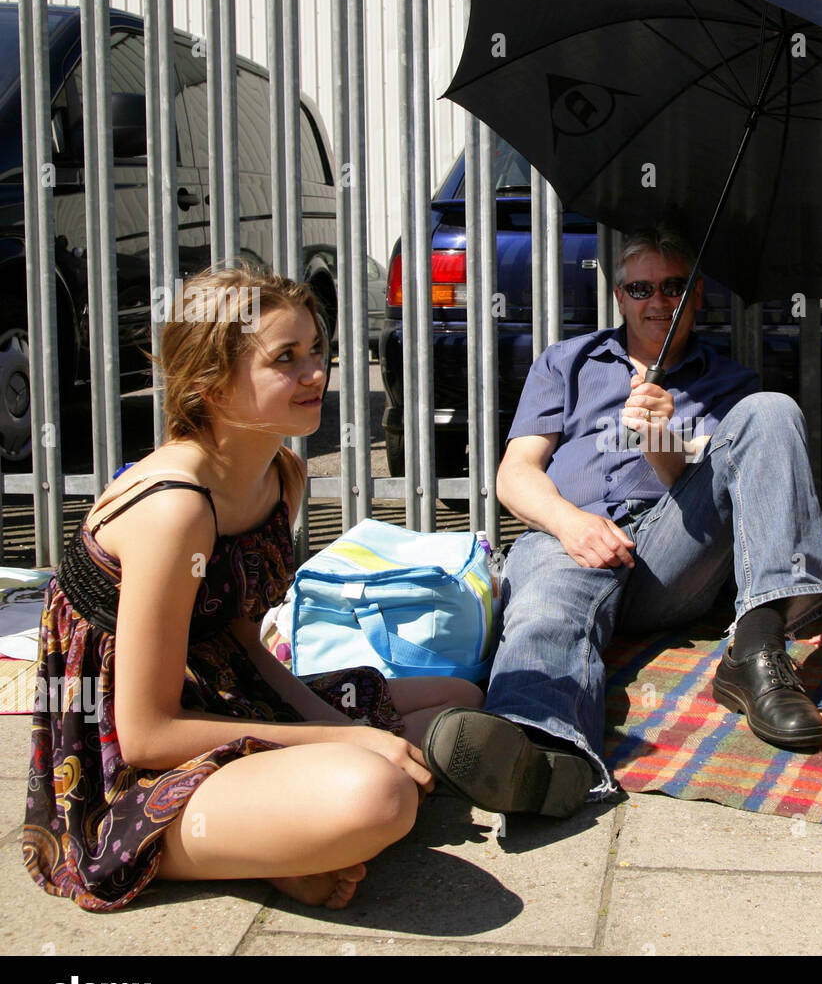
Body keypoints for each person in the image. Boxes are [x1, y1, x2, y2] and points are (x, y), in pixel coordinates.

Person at [23, 265, 482, 913]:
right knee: (381, 793)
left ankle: (284, 833)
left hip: (220, 688)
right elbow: (147, 733)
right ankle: (214, 845)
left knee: (457, 698)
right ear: (211, 385)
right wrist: (347, 739)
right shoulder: (174, 510)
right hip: (123, 754)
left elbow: (241, 637)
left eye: (317, 351)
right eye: (286, 359)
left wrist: (331, 722)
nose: (316, 373)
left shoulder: (279, 474)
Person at [422, 224, 822, 818]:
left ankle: (757, 647)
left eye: (675, 287)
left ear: (696, 297)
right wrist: (570, 524)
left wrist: (661, 439)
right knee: (545, 610)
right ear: (619, 296)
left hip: (671, 557)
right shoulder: (567, 362)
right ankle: (539, 754)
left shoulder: (727, 382)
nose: (658, 301)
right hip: (570, 536)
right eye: (641, 288)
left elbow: (721, 505)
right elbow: (516, 474)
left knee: (771, 410)